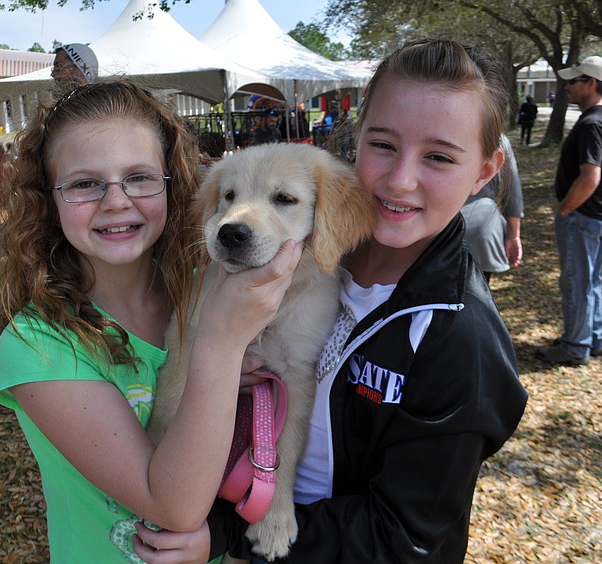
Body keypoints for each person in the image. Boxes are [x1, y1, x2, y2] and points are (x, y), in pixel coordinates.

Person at [135, 39, 528, 563]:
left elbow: (406, 538)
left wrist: (225, 535)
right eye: (383, 145)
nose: (400, 179)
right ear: (356, 140)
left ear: (485, 170)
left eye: (438, 156)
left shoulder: (461, 343)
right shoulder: (309, 259)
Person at [0, 80, 302, 561]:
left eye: (139, 177)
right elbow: (173, 507)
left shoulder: (202, 287)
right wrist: (218, 349)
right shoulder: (39, 344)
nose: (116, 201)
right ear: (47, 199)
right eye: (84, 183)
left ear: (173, 184)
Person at [536, 55, 602, 367]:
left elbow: (590, 178)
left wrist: (564, 210)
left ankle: (574, 346)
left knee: (576, 282)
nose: (567, 86)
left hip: (584, 216)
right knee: (591, 281)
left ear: (591, 83)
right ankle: (592, 337)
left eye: (573, 81)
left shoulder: (593, 123)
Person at [461, 133, 524, 284]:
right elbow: (512, 192)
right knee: (476, 291)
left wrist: (513, 236)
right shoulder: (496, 139)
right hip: (481, 234)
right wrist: (513, 235)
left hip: (432, 233)